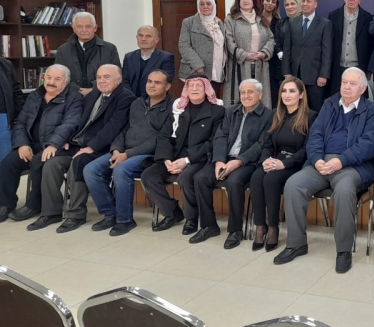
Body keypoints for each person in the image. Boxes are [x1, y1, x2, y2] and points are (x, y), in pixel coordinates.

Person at [274, 67, 374, 273]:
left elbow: (368, 145)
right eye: (344, 82)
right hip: (321, 163)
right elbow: (315, 135)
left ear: (362, 89)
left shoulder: (371, 112)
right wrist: (316, 160)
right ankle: (296, 244)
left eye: (352, 84)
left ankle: (343, 251)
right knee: (293, 184)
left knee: (344, 190)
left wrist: (341, 160)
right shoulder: (329, 104)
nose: (347, 87)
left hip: (351, 166)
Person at [31, 65, 136, 232]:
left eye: (107, 77)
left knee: (78, 163)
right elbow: (76, 120)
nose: (102, 81)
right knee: (51, 163)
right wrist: (65, 140)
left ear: (119, 79)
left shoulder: (126, 97)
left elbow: (113, 128)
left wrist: (91, 147)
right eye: (99, 77)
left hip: (101, 148)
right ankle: (51, 212)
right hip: (77, 144)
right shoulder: (94, 94)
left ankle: (76, 214)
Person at [84, 69, 174, 236]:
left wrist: (127, 155)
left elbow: (160, 139)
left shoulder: (172, 108)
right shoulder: (137, 103)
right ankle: (110, 214)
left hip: (149, 155)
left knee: (121, 169)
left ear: (167, 86)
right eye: (149, 81)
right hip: (123, 151)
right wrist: (116, 149)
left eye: (157, 82)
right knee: (91, 169)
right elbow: (124, 129)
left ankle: (125, 220)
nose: (151, 85)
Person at [141, 74, 225, 235]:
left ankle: (191, 218)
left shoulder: (217, 111)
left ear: (206, 89)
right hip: (173, 157)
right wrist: (166, 159)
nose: (194, 89)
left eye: (199, 86)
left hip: (199, 158)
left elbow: (213, 142)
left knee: (186, 177)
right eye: (190, 86)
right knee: (148, 176)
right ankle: (172, 212)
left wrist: (187, 160)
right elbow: (164, 136)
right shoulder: (178, 108)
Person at [194, 79, 273, 248]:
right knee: (200, 178)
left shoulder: (268, 116)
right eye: (243, 92)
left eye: (250, 92)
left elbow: (261, 144)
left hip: (247, 162)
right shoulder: (231, 112)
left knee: (234, 182)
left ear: (260, 95)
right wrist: (219, 160)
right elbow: (220, 136)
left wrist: (239, 161)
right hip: (224, 158)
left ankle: (235, 230)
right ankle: (209, 226)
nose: (246, 96)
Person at [0, 65, 82, 224]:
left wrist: (53, 144)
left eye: (57, 79)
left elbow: (70, 124)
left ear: (66, 82)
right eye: (49, 78)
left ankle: (34, 204)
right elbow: (21, 123)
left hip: (59, 145)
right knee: (9, 163)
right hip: (32, 144)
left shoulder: (74, 98)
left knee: (39, 162)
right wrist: (22, 144)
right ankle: (5, 204)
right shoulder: (34, 96)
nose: (51, 82)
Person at [249, 76, 317, 252]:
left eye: (292, 91)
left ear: (301, 95)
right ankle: (260, 226)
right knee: (256, 177)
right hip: (274, 160)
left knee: (270, 180)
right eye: (284, 91)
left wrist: (284, 164)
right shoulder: (275, 114)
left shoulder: (311, 117)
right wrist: (266, 160)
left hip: (295, 164)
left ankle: (273, 227)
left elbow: (307, 149)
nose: (287, 95)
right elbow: (267, 143)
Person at [223, 0, 276, 107]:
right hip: (239, 66)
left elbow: (271, 39)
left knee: (259, 98)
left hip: (260, 66)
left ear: (253, 2)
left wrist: (264, 53)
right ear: (238, 1)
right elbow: (228, 41)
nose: (245, 1)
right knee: (241, 99)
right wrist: (244, 55)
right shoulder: (231, 19)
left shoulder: (261, 18)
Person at [281, 0, 332, 112]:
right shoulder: (293, 22)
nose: (304, 4)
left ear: (316, 4)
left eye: (308, 1)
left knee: (315, 110)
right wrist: (287, 72)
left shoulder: (325, 23)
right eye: (303, 1)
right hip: (295, 75)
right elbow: (287, 49)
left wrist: (323, 75)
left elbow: (327, 51)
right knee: (296, 109)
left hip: (315, 77)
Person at [55, 12, 121, 96]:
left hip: (102, 95)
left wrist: (93, 89)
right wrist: (77, 89)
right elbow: (58, 75)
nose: (84, 30)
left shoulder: (110, 49)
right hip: (71, 95)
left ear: (95, 28)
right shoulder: (62, 50)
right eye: (79, 26)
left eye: (88, 26)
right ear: (73, 28)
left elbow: (116, 75)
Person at [328, 0, 374, 93]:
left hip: (359, 68)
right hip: (337, 68)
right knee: (336, 98)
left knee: (357, 98)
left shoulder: (368, 18)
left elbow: (371, 45)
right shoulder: (333, 16)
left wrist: (368, 70)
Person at [179, 0, 226, 91]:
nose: (205, 6)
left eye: (208, 4)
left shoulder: (219, 23)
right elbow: (184, 46)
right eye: (202, 4)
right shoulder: (189, 22)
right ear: (198, 6)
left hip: (217, 71)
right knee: (196, 98)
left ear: (213, 6)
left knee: (213, 98)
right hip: (196, 71)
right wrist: (198, 65)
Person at [121, 25, 175, 97]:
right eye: (140, 36)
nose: (143, 39)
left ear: (156, 40)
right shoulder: (129, 57)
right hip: (130, 99)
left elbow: (165, 82)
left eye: (148, 36)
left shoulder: (166, 58)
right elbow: (124, 80)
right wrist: (131, 98)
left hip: (155, 99)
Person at [0, 56, 26, 161]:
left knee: (4, 159)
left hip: (4, 116)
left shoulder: (6, 65)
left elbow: (16, 91)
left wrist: (21, 115)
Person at [261, 0, 284, 108]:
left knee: (273, 92)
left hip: (274, 63)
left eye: (273, 2)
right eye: (268, 0)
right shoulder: (255, 19)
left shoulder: (279, 22)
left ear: (276, 5)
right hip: (258, 60)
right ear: (262, 1)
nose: (270, 3)